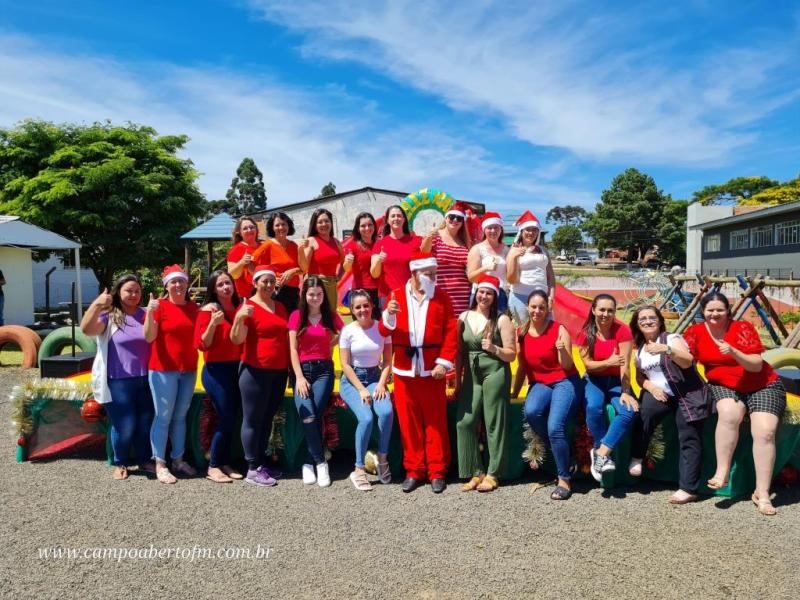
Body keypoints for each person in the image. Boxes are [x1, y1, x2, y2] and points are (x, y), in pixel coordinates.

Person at [684, 292, 787, 515]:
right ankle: (722, 471)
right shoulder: (695, 332)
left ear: (728, 311)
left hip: (762, 384)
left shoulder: (741, 328)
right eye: (710, 310)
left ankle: (762, 492)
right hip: (723, 384)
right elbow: (685, 358)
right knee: (729, 413)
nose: (715, 314)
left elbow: (756, 365)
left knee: (765, 432)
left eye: (720, 310)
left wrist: (733, 351)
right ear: (703, 311)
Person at [380, 251, 458, 494]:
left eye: (434, 274)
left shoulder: (442, 298)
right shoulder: (395, 297)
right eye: (429, 274)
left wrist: (443, 363)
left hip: (432, 369)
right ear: (415, 273)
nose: (434, 278)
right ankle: (414, 470)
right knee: (409, 423)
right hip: (405, 369)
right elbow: (384, 331)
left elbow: (451, 332)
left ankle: (437, 471)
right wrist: (389, 314)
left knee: (436, 422)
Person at [628, 305, 708, 504]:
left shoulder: (671, 339)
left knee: (689, 435)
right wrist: (651, 387)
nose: (647, 321)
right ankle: (637, 457)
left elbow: (688, 361)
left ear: (660, 320)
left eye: (651, 317)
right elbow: (640, 377)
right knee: (644, 411)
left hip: (686, 393)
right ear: (637, 325)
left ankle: (688, 488)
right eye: (642, 319)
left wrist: (667, 350)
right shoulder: (639, 351)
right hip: (661, 394)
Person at [81, 275, 154, 480]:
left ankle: (144, 459)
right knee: (125, 424)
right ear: (118, 293)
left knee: (145, 421)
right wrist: (96, 304)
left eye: (137, 291)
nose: (133, 294)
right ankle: (121, 461)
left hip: (147, 378)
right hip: (118, 380)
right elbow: (86, 329)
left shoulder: (146, 314)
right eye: (128, 290)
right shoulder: (110, 315)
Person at [512, 290, 583, 500]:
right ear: (527, 307)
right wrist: (514, 392)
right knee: (532, 411)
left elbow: (568, 365)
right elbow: (522, 367)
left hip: (565, 380)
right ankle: (565, 455)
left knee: (555, 427)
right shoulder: (521, 333)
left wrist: (561, 350)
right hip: (541, 383)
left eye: (541, 307)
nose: (537, 311)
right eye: (533, 307)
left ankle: (564, 479)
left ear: (548, 308)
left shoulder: (559, 329)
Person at [455, 275, 515, 493]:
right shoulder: (463, 317)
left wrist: (494, 349)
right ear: (475, 292)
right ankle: (475, 470)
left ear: (495, 296)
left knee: (493, 422)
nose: (484, 296)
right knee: (465, 422)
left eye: (489, 293)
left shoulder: (502, 320)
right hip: (471, 373)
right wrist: (457, 382)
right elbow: (459, 353)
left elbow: (511, 355)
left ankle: (493, 472)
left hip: (495, 371)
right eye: (481, 291)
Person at [230, 267, 290, 487]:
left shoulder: (280, 306)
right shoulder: (247, 306)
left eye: (272, 281)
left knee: (267, 418)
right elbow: (236, 339)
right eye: (264, 281)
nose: (269, 285)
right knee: (253, 419)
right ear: (255, 283)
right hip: (255, 370)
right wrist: (239, 319)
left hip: (278, 370)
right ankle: (252, 467)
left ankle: (261, 462)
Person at [144, 265, 199, 484]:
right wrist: (149, 311)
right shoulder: (159, 306)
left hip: (188, 370)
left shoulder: (194, 308)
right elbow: (148, 337)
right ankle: (160, 463)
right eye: (173, 282)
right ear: (166, 285)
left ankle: (178, 458)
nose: (178, 285)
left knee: (180, 416)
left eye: (181, 281)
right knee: (163, 416)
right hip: (162, 369)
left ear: (187, 284)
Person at [288, 276, 344, 488]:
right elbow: (292, 349)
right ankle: (320, 461)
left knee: (315, 414)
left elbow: (346, 331)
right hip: (302, 371)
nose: (315, 297)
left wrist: (333, 341)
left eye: (319, 294)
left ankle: (307, 462)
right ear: (304, 295)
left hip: (324, 371)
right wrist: (299, 377)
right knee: (308, 415)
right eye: (311, 294)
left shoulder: (330, 316)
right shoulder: (296, 316)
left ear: (323, 295)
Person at [575, 293, 637, 483]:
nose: (606, 314)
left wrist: (626, 391)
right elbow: (588, 365)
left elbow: (625, 365)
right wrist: (608, 361)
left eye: (610, 310)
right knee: (593, 407)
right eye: (602, 309)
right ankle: (603, 453)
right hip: (594, 380)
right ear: (593, 310)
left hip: (617, 381)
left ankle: (601, 452)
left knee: (628, 411)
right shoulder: (586, 333)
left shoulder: (623, 330)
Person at [338, 289, 394, 491]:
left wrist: (380, 384)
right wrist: (361, 390)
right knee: (366, 418)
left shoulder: (382, 329)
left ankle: (382, 457)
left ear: (372, 306)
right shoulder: (348, 331)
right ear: (352, 310)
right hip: (352, 381)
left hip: (375, 378)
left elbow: (387, 360)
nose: (363, 310)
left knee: (386, 411)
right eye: (358, 307)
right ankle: (359, 468)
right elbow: (345, 364)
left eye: (366, 305)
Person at [194, 271, 243, 483]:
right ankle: (213, 465)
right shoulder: (209, 310)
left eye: (228, 283)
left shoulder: (240, 307)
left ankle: (223, 462)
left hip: (238, 368)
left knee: (231, 418)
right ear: (214, 289)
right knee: (225, 417)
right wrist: (213, 324)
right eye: (221, 284)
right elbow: (202, 344)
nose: (226, 287)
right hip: (217, 370)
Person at [421, 201, 473, 315]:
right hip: (440, 291)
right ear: (446, 218)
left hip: (461, 296)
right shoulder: (436, 235)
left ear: (462, 222)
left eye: (459, 218)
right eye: (452, 217)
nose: (455, 220)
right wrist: (429, 237)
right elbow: (423, 253)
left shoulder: (464, 241)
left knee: (458, 328)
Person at [506, 211, 556, 327]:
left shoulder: (544, 251)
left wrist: (551, 297)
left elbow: (551, 277)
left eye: (534, 230)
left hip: (542, 297)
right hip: (520, 297)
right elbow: (511, 280)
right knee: (525, 330)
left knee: (548, 328)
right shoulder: (513, 251)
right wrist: (513, 257)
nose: (531, 233)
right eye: (527, 229)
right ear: (521, 232)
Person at [370, 205, 422, 306]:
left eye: (399, 216)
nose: (396, 218)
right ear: (388, 220)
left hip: (411, 294)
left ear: (404, 220)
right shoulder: (380, 244)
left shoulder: (415, 241)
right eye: (393, 216)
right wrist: (378, 260)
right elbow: (374, 274)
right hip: (388, 296)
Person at [253, 211, 302, 315]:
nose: (281, 227)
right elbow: (252, 264)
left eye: (284, 224)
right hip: (276, 292)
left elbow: (303, 268)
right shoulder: (267, 246)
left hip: (294, 292)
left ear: (289, 225)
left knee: (294, 325)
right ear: (272, 228)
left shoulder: (294, 246)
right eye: (277, 225)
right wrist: (271, 280)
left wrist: (292, 271)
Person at [298, 208, 344, 312]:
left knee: (330, 317)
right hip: (315, 285)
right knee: (313, 317)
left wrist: (339, 276)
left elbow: (344, 262)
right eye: (320, 222)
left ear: (331, 223)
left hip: (332, 285)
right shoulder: (311, 241)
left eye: (327, 221)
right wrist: (300, 250)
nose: (324, 224)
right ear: (315, 225)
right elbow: (304, 268)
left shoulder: (336, 242)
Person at [466, 212, 509, 313]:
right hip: (481, 294)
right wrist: (485, 268)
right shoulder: (476, 249)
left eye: (496, 227)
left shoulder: (507, 250)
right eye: (489, 228)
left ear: (501, 229)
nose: (493, 231)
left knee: (498, 326)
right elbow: (471, 277)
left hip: (501, 294)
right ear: (484, 229)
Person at [342, 212, 381, 319]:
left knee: (378, 326)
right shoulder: (353, 244)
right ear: (358, 228)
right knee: (361, 327)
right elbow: (346, 268)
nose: (367, 228)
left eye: (370, 225)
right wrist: (348, 261)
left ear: (374, 226)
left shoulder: (380, 243)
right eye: (363, 226)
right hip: (361, 291)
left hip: (380, 291)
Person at [227, 217, 261, 300]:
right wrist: (242, 262)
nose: (249, 230)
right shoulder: (235, 250)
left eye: (252, 227)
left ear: (256, 229)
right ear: (239, 233)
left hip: (265, 295)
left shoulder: (263, 247)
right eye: (245, 228)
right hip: (245, 297)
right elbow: (232, 275)